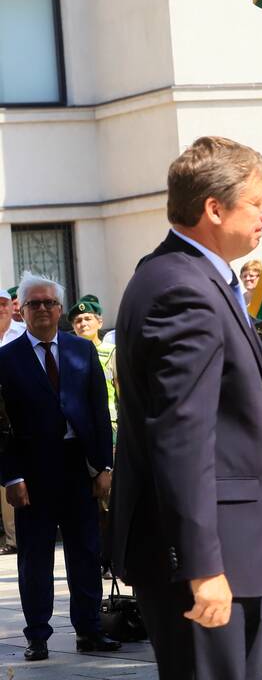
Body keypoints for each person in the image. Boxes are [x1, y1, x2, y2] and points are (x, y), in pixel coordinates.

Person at [110, 136, 262, 680]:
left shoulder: (186, 275)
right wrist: (202, 566)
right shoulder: (181, 289)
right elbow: (180, 438)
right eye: (257, 203)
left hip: (225, 549)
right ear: (215, 208)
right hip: (208, 558)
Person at [0, 273, 119, 662]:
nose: (43, 310)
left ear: (60, 309)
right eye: (34, 303)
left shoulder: (80, 351)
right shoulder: (6, 358)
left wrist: (104, 466)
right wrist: (12, 476)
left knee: (86, 552)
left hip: (77, 467)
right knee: (35, 558)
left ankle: (89, 630)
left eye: (49, 303)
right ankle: (37, 635)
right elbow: (0, 426)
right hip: (32, 472)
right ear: (22, 309)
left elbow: (100, 412)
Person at [69, 295, 118, 436]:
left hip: (110, 424)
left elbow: (121, 389)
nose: (83, 323)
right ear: (73, 327)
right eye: (78, 321)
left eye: (88, 319)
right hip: (79, 427)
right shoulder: (66, 355)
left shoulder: (112, 352)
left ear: (100, 322)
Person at [0, 287, 25, 555]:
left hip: (15, 417)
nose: (1, 308)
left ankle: (16, 538)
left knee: (11, 476)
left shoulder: (23, 334)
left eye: (4, 303)